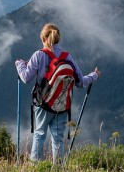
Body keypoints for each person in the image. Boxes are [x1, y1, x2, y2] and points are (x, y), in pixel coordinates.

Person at [15, 23, 101, 164]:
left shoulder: (39, 55)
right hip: (62, 105)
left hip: (43, 104)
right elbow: (80, 82)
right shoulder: (67, 57)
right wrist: (94, 75)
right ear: (58, 39)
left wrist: (20, 64)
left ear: (43, 38)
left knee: (39, 135)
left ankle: (35, 168)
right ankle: (58, 171)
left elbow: (26, 77)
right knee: (58, 139)